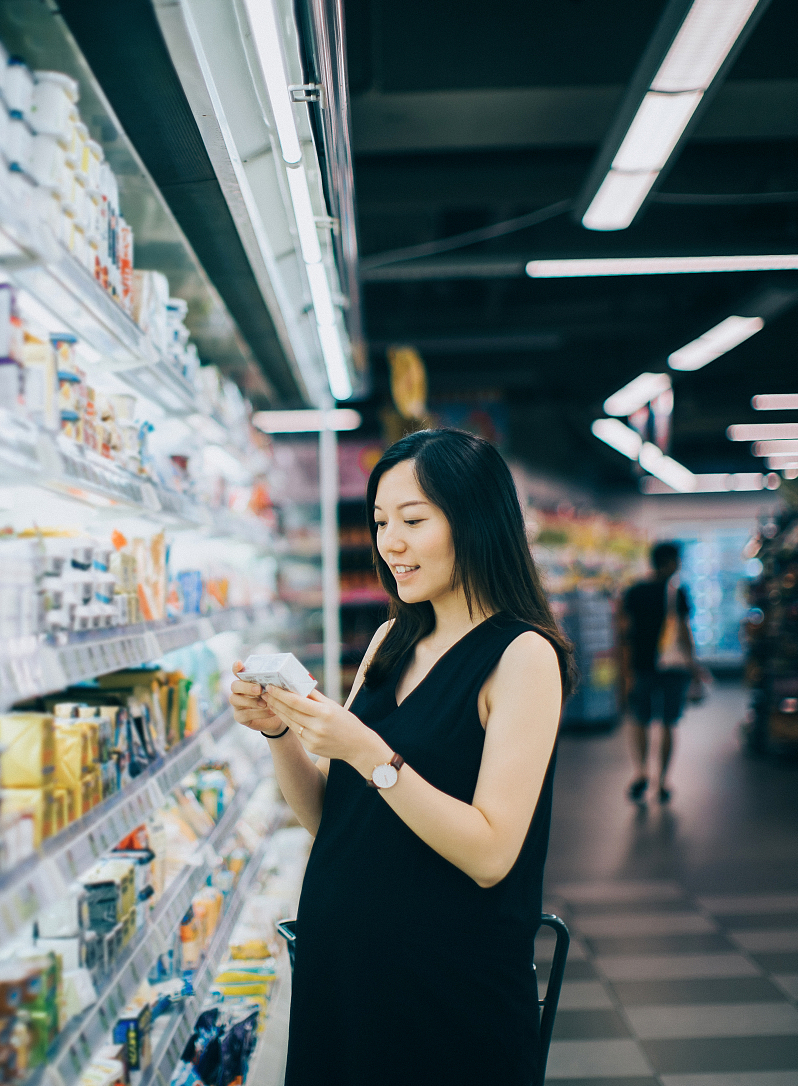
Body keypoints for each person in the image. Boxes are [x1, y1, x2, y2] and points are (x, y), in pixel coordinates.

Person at [228, 429, 572, 1085]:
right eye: (382, 521)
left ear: (475, 520)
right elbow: (333, 819)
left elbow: (492, 851)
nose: (390, 543)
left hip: (446, 991)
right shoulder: (392, 639)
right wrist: (281, 734)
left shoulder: (522, 654)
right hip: (346, 976)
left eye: (413, 520)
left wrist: (368, 750)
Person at [616, 540, 702, 805]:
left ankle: (641, 771)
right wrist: (694, 665)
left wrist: (625, 672)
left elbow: (625, 634)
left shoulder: (634, 591)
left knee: (640, 719)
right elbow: (685, 633)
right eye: (677, 560)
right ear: (667, 562)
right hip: (673, 667)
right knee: (668, 722)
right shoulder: (678, 593)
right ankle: (663, 780)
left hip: (642, 665)